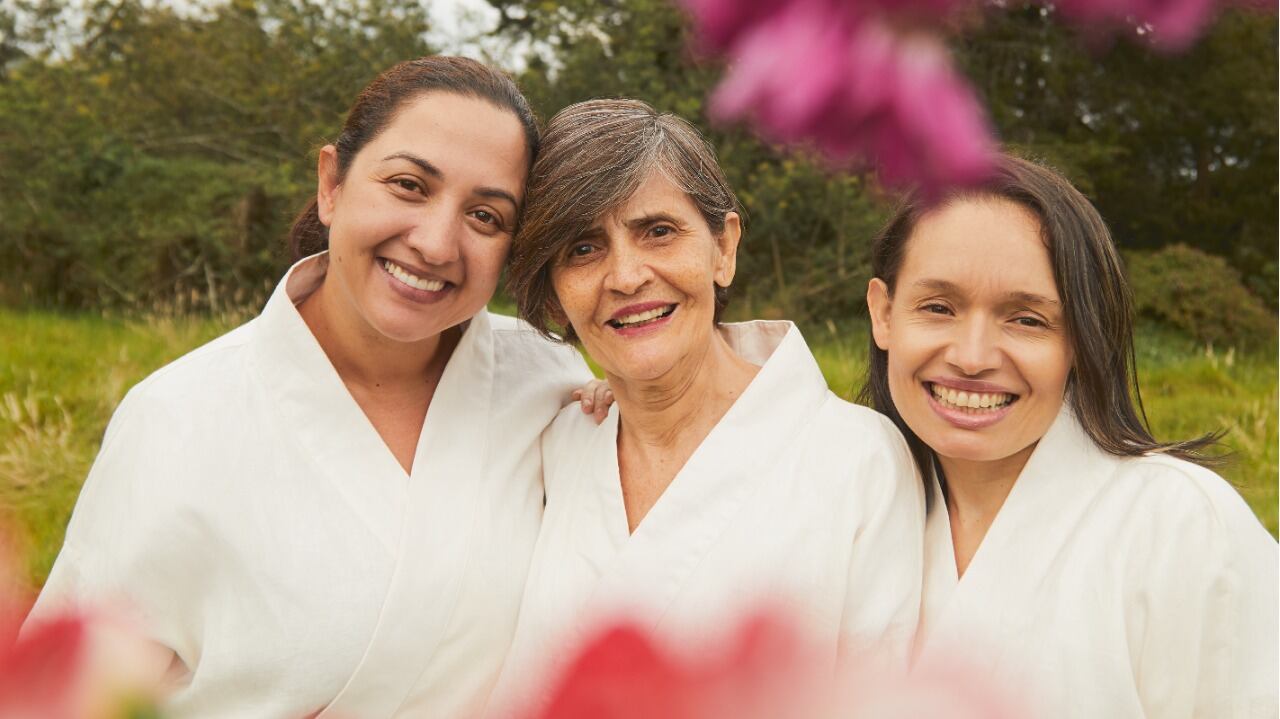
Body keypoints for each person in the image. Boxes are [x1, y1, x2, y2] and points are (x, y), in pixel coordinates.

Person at [26, 57, 594, 718]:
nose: (437, 243)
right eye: (409, 184)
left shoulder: (551, 384)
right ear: (332, 184)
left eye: (487, 217)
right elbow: (57, 699)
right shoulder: (177, 419)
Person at [489, 99, 925, 710]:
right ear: (555, 294)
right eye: (582, 249)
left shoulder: (860, 459)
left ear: (723, 247)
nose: (625, 276)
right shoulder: (558, 443)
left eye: (658, 232)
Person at [861, 154, 1278, 717]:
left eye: (1026, 319)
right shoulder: (851, 509)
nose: (972, 357)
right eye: (938, 307)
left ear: (1081, 338)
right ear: (883, 314)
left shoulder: (1181, 526)